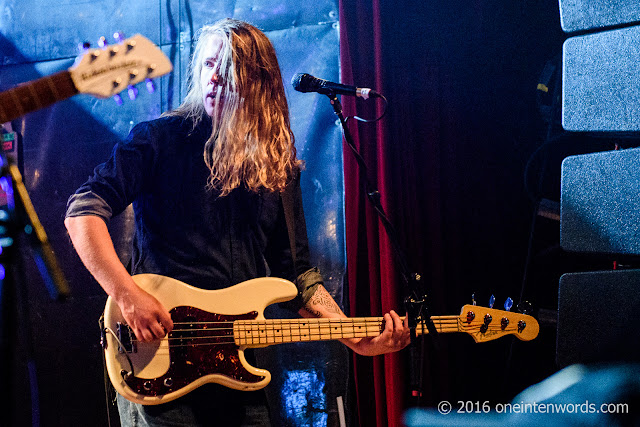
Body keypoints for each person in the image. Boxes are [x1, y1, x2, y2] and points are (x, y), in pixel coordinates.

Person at [65, 18, 410, 426]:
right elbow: (82, 211)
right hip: (158, 366)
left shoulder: (276, 166)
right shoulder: (159, 140)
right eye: (209, 65)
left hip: (238, 372)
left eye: (228, 69)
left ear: (258, 83)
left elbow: (297, 276)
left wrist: (356, 338)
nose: (214, 78)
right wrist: (126, 296)